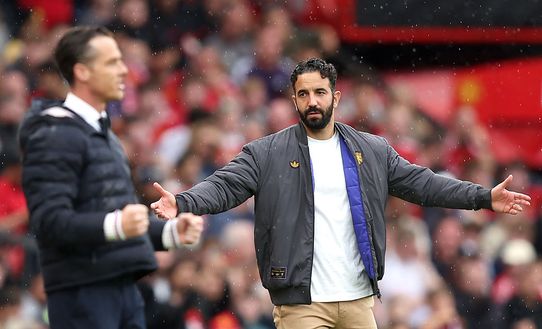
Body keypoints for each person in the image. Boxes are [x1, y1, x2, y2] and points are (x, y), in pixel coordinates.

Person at [151, 57, 531, 329]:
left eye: (319, 92)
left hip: (358, 300)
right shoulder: (265, 153)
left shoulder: (372, 150)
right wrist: (183, 201)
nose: (312, 101)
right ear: (294, 100)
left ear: (335, 97)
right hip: (302, 302)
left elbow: (424, 184)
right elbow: (225, 186)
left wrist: (483, 197)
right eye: (303, 94)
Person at [18, 26, 204, 329]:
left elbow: (118, 221)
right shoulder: (54, 133)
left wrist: (171, 234)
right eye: (112, 62)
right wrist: (116, 225)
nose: (124, 70)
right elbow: (49, 222)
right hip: (82, 292)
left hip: (122, 288)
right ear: (82, 71)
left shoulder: (106, 136)